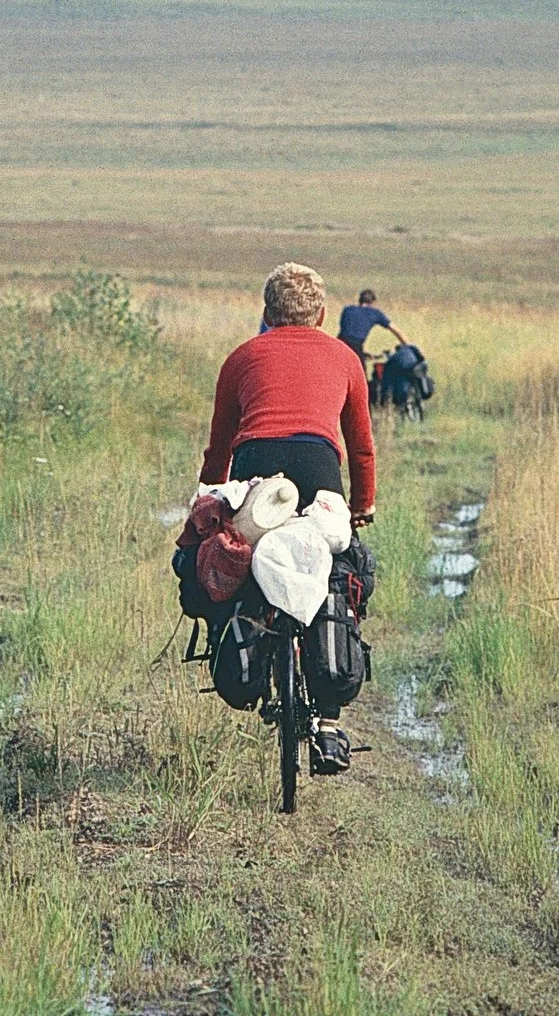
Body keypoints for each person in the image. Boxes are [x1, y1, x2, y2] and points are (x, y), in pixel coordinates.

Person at [199, 262, 374, 774]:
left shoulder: (242, 356)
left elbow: (219, 446)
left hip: (256, 471)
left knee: (243, 557)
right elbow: (361, 449)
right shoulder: (343, 357)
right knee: (339, 571)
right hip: (319, 470)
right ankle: (330, 724)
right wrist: (362, 506)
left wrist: (211, 496)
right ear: (321, 314)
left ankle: (244, 651)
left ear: (267, 312)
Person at [337, 289, 406, 366]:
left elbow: (348, 332)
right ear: (373, 302)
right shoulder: (374, 313)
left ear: (360, 300)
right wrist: (408, 346)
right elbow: (395, 329)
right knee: (361, 375)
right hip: (356, 345)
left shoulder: (347, 309)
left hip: (339, 344)